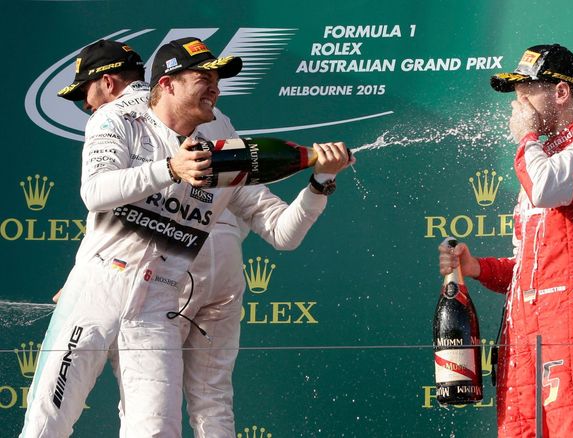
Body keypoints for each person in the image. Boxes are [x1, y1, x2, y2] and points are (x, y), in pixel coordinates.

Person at [22, 37, 350, 437]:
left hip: (158, 306)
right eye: (203, 77)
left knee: (156, 432)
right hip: (96, 288)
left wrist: (321, 183)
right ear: (167, 84)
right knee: (46, 424)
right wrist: (170, 169)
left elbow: (284, 233)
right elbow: (95, 192)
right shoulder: (115, 119)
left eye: (217, 79)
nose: (215, 86)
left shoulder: (225, 150)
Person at [438, 44, 573, 437]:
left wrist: (526, 135)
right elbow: (524, 268)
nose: (517, 104)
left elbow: (547, 186)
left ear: (561, 91)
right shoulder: (538, 160)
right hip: (519, 336)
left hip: (570, 325)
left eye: (527, 92)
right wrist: (477, 268)